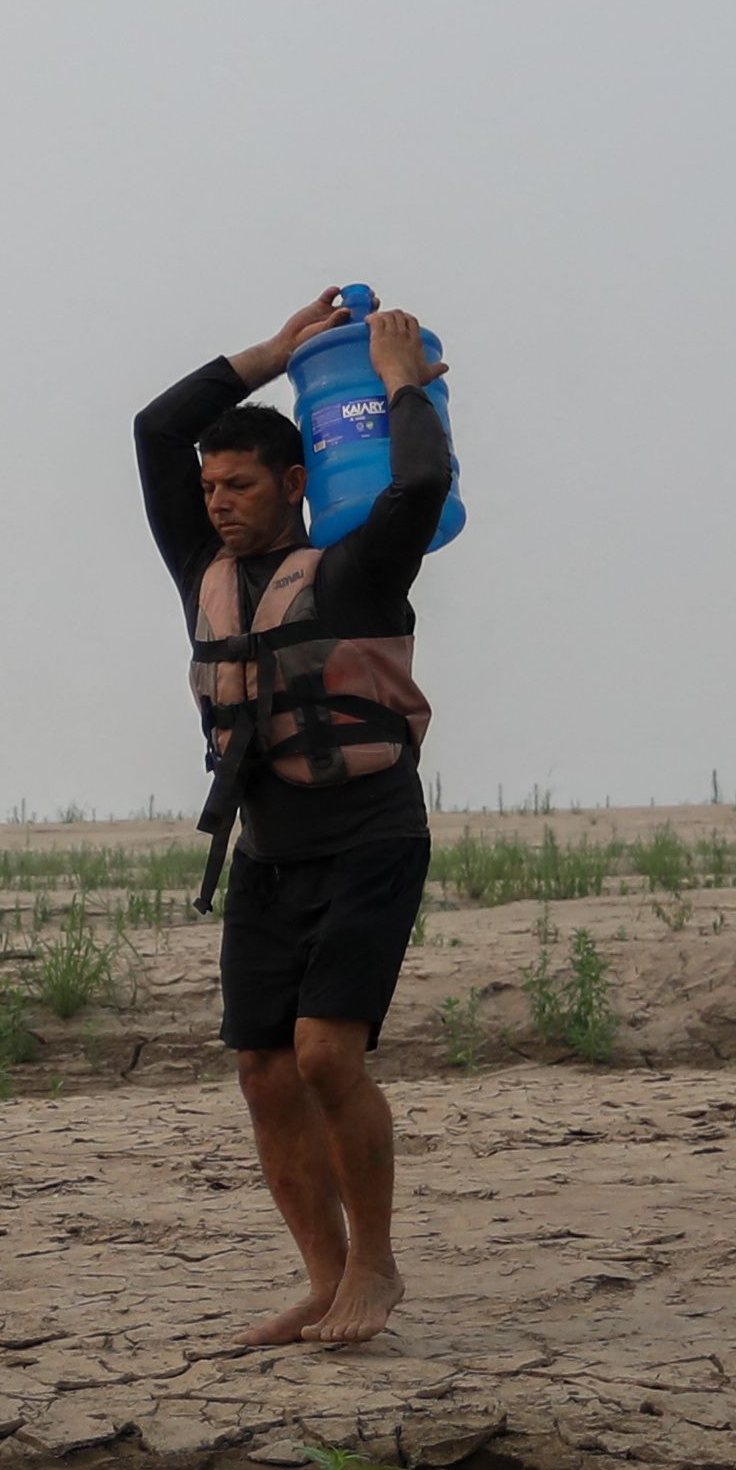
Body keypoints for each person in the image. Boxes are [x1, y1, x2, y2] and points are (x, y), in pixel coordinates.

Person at [137, 297, 453, 1346]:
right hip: (267, 849)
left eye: (240, 485)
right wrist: (270, 355)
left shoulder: (360, 568)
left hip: (369, 834)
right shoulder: (205, 574)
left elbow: (420, 482)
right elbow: (154, 427)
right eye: (210, 487)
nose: (218, 502)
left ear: (295, 483)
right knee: (266, 1071)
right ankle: (321, 1279)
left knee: (326, 1056)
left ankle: (377, 1266)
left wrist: (399, 377)